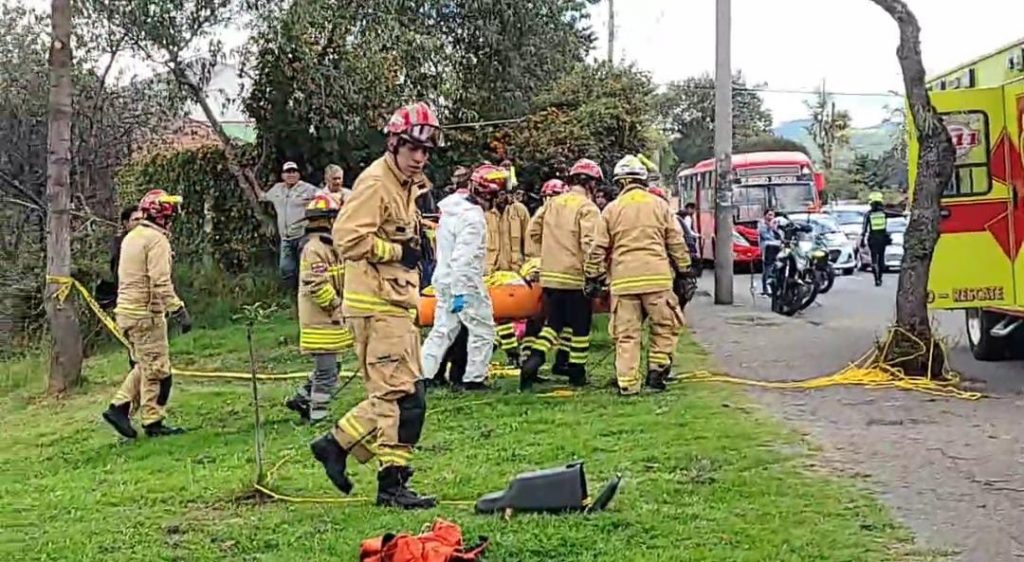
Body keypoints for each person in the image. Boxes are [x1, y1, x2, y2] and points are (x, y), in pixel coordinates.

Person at [309, 101, 441, 510]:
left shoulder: (406, 185)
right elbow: (347, 238)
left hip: (395, 303)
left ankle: (336, 443)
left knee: (400, 394)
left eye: (425, 150)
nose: (419, 158)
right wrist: (396, 251)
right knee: (402, 398)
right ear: (394, 144)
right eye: (412, 149)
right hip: (377, 305)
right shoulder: (376, 183)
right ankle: (391, 485)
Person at [585, 156, 692, 395]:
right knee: (665, 326)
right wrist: (685, 271)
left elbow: (598, 247)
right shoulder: (660, 206)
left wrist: (594, 276)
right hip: (657, 279)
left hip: (623, 283)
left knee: (626, 335)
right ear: (642, 180)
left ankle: (628, 384)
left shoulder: (611, 209)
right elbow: (676, 241)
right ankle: (657, 373)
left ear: (620, 183)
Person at [101, 189, 191, 439]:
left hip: (127, 312)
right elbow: (160, 280)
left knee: (144, 364)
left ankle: (119, 408)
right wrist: (177, 308)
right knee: (158, 370)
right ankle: (151, 420)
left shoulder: (133, 236)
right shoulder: (156, 240)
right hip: (145, 314)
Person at [519, 159, 603, 390]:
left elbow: (533, 231)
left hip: (550, 277)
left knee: (553, 323)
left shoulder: (551, 204)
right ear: (592, 184)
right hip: (575, 277)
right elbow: (590, 243)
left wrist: (541, 258)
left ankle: (534, 359)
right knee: (580, 327)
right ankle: (576, 371)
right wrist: (595, 274)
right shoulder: (588, 208)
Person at [421, 164, 504, 391]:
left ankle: (422, 376)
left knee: (442, 330)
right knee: (483, 330)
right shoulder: (473, 219)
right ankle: (473, 379)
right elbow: (463, 258)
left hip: (444, 278)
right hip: (463, 282)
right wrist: (461, 292)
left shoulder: (451, 210)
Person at [285, 194, 353, 423]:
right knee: (327, 371)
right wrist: (335, 306)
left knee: (334, 365)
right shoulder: (314, 249)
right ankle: (318, 414)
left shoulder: (331, 245)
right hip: (320, 319)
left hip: (331, 318)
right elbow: (316, 284)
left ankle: (301, 398)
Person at [484, 173, 531, 366]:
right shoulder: (484, 213)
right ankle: (512, 353)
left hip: (515, 271)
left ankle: (511, 351)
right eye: (502, 193)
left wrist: (528, 265)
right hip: (491, 273)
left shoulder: (519, 211)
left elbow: (529, 240)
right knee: (500, 317)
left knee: (519, 318)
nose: (506, 198)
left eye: (508, 193)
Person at [257, 161, 319, 288]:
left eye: (294, 171)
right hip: (285, 238)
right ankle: (291, 294)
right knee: (286, 269)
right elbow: (262, 196)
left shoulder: (308, 188)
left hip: (303, 235)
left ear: (298, 174)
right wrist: (250, 178)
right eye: (288, 172)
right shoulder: (277, 189)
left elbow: (324, 197)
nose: (291, 175)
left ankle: (306, 293)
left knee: (306, 267)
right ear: (283, 175)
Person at [96, 205, 143, 311]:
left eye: (142, 219)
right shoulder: (119, 243)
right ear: (126, 223)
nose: (140, 223)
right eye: (136, 219)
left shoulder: (151, 241)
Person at [862, 191, 899, 287]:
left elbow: (864, 229)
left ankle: (877, 279)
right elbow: (896, 213)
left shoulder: (868, 214)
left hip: (872, 238)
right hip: (882, 238)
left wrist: (862, 239)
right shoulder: (884, 213)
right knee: (881, 259)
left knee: (874, 259)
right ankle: (880, 278)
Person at [758, 209, 782, 295]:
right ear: (765, 216)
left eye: (772, 215)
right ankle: (765, 289)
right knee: (767, 268)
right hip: (767, 248)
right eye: (769, 215)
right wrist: (770, 227)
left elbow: (780, 236)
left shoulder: (775, 223)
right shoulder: (762, 224)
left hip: (776, 247)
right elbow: (765, 236)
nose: (771, 217)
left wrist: (776, 228)